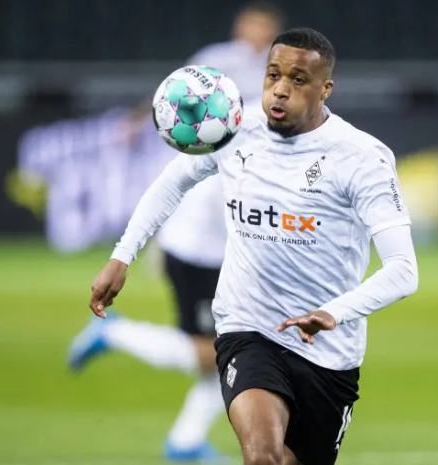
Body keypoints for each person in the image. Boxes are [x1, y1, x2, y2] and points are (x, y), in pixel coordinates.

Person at [87, 27, 419, 465]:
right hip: (248, 329)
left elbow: (403, 270)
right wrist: (122, 255)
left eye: (298, 79)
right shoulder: (234, 130)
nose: (280, 89)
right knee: (262, 455)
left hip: (328, 352)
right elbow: (171, 184)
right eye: (273, 75)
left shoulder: (362, 158)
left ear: (325, 89)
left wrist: (334, 312)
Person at [68, 3, 283, 463]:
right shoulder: (232, 118)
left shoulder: (258, 111)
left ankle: (185, 441)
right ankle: (116, 335)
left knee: (236, 349)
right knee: (223, 352)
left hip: (216, 249)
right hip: (199, 253)